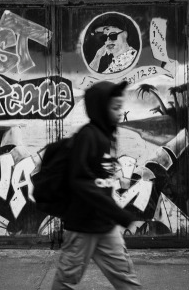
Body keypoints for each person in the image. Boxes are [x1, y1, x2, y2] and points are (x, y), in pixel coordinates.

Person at [52, 80, 142, 290]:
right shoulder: (88, 136)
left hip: (105, 225)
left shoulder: (108, 135)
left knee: (126, 279)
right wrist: (120, 214)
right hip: (81, 227)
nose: (120, 112)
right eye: (115, 108)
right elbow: (81, 182)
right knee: (67, 280)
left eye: (121, 107)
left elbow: (102, 181)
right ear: (101, 109)